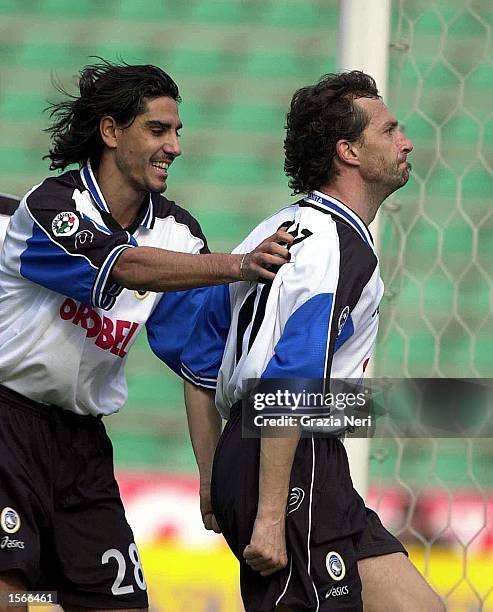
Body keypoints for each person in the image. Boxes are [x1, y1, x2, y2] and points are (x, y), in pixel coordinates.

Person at [0, 59, 292, 612]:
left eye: (177, 132)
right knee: (13, 595)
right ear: (111, 132)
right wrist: (237, 264)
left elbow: (196, 361)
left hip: (82, 443)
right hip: (7, 423)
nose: (174, 146)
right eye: (158, 130)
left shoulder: (178, 235)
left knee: (117, 603)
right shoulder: (53, 208)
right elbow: (126, 267)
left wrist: (209, 476)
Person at [181, 71, 445, 611]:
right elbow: (289, 381)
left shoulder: (271, 230)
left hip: (282, 455)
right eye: (390, 130)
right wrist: (271, 516)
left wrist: (213, 477)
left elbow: (198, 359)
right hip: (289, 463)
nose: (407, 141)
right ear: (348, 151)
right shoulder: (340, 244)